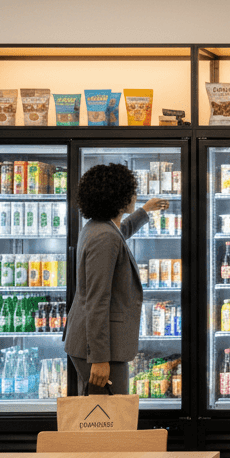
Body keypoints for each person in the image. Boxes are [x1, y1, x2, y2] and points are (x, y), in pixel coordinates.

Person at [63, 163, 167, 395]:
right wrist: (99, 358)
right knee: (110, 418)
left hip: (92, 343)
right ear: (118, 197)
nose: (135, 196)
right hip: (99, 348)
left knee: (97, 415)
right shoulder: (105, 237)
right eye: (131, 192)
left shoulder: (98, 228)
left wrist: (144, 211)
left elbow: (120, 234)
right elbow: (97, 300)